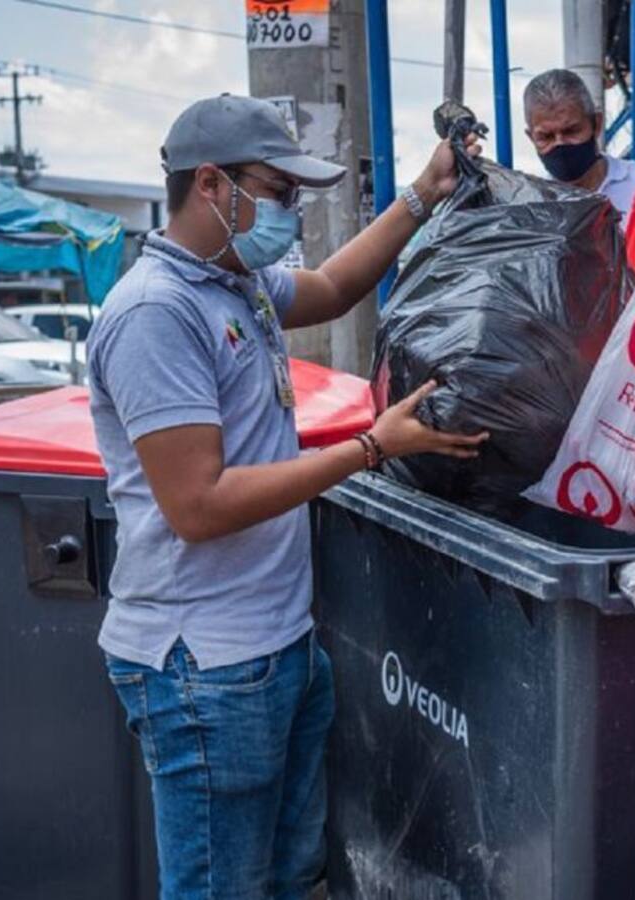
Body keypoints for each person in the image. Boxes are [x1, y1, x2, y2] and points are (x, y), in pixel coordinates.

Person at [87, 93, 487, 900]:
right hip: (203, 667)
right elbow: (197, 506)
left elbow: (336, 286)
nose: (290, 211)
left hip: (277, 647)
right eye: (277, 191)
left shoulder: (238, 283)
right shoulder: (157, 314)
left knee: (289, 880)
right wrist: (373, 447)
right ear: (211, 185)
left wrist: (424, 192)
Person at [523, 68, 635, 227]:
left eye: (571, 131)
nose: (560, 144)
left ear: (597, 124)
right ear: (531, 137)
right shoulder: (528, 208)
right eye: (546, 137)